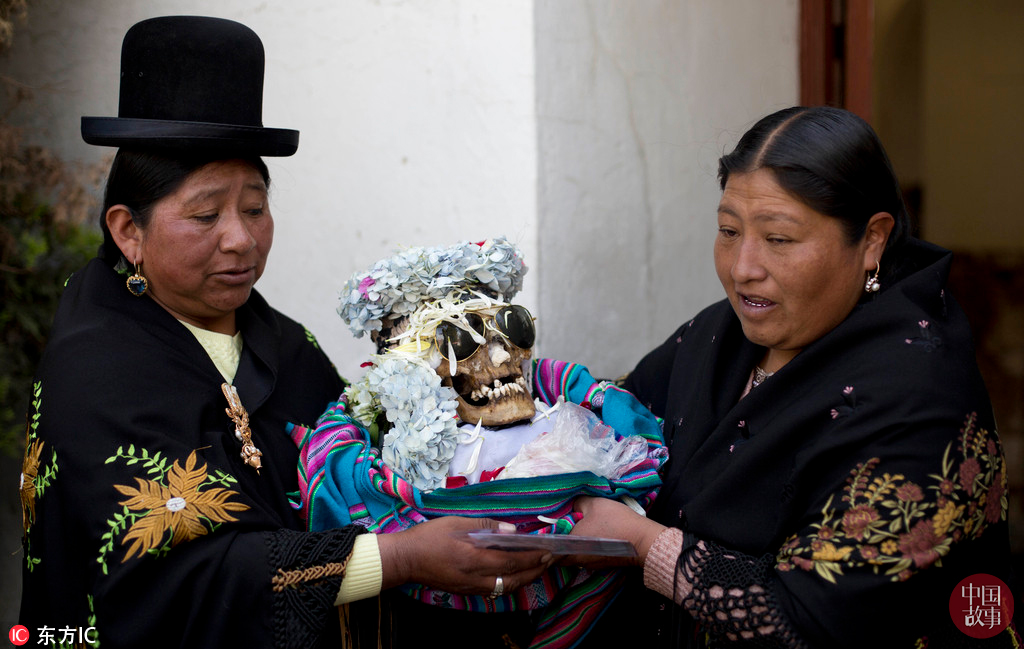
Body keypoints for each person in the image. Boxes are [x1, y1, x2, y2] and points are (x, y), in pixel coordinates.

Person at [17, 16, 549, 649]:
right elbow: (172, 583)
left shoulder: (288, 346)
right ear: (128, 231)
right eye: (206, 214)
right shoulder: (97, 371)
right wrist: (401, 558)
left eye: (255, 207)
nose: (241, 238)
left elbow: (357, 478)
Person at [566, 106, 1019, 647]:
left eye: (779, 239)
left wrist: (645, 544)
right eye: (729, 230)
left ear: (873, 239)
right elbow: (613, 420)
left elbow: (814, 620)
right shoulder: (720, 336)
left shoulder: (918, 398)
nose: (743, 267)